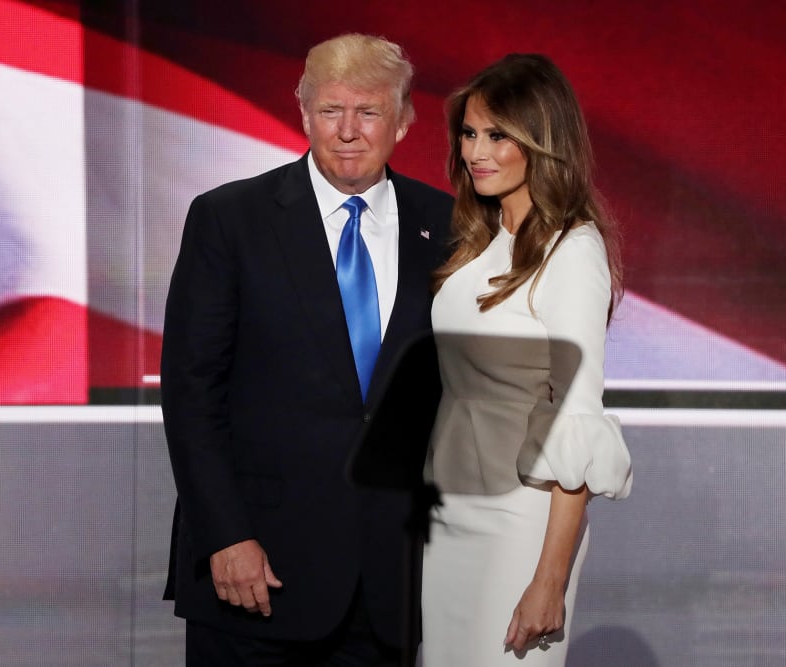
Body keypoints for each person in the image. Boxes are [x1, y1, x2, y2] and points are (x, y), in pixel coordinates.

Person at [160, 33, 455, 666]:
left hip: (390, 583)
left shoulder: (451, 227)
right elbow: (191, 393)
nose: (348, 130)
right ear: (304, 114)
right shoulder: (229, 218)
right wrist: (226, 535)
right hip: (255, 574)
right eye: (331, 110)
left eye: (369, 111)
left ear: (403, 122)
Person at [421, 53, 633, 666]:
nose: (476, 152)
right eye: (468, 133)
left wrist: (550, 578)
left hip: (520, 527)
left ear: (540, 143)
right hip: (450, 514)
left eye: (497, 136)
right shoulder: (478, 242)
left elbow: (576, 419)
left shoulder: (572, 249)